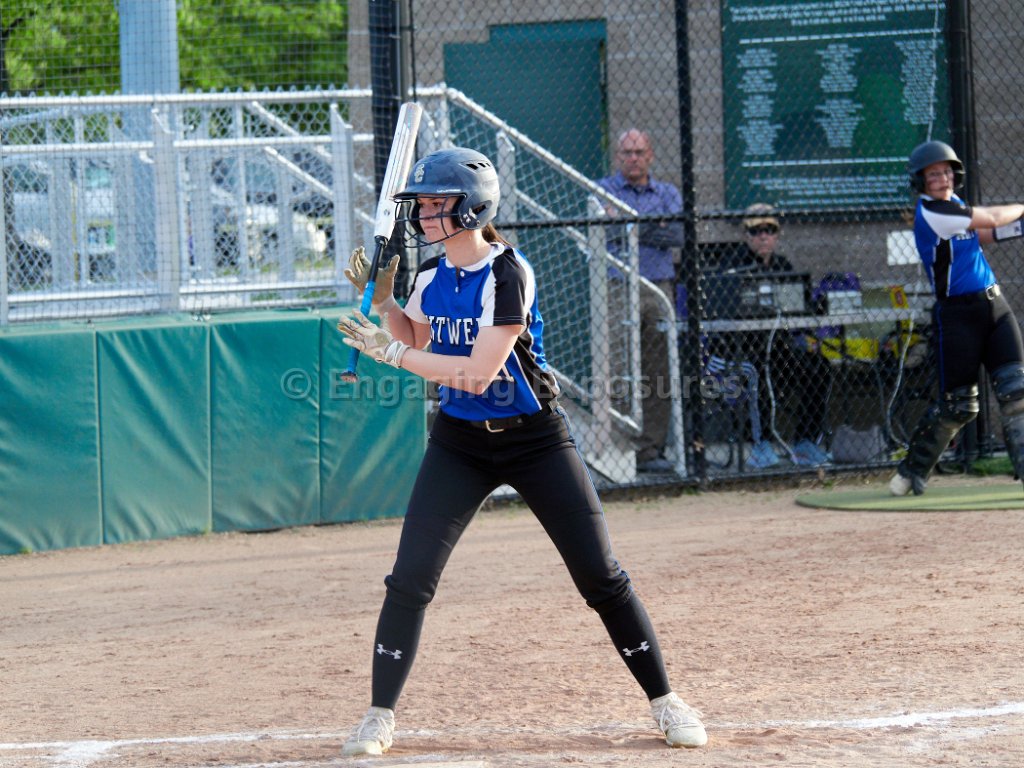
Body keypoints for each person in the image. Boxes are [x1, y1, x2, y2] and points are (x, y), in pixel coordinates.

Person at [336, 146, 708, 756]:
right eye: (421, 204)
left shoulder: (508, 273)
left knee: (600, 576)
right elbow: (418, 335)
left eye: (435, 204)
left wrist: (391, 353)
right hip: (459, 443)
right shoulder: (429, 276)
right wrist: (384, 303)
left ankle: (667, 701)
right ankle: (378, 716)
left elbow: (476, 373)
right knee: (409, 579)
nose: (423, 214)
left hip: (535, 440)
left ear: (472, 208)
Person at [889, 140, 1024, 496]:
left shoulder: (955, 205)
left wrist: (1020, 226)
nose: (942, 179)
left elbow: (984, 234)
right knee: (958, 406)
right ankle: (911, 471)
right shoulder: (933, 212)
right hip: (957, 316)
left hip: (994, 305)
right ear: (920, 181)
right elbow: (991, 218)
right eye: (933, 174)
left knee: (1017, 392)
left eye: (946, 172)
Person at [709, 203, 833, 468]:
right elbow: (724, 311)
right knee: (758, 373)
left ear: (777, 235)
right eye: (756, 231)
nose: (763, 237)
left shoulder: (782, 265)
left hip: (777, 349)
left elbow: (797, 306)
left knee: (818, 366)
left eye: (769, 230)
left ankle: (805, 442)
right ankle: (760, 445)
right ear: (746, 235)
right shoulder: (732, 266)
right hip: (738, 351)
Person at [595, 129, 684, 473]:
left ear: (650, 156)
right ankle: (620, 450)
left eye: (639, 152)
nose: (633, 158)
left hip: (658, 286)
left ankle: (649, 450)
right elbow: (604, 232)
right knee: (618, 364)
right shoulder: (603, 190)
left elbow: (676, 235)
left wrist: (628, 224)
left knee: (658, 366)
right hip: (617, 285)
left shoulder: (668, 193)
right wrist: (651, 226)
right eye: (627, 153)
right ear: (618, 157)